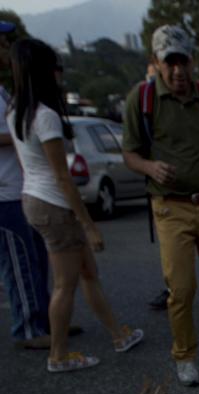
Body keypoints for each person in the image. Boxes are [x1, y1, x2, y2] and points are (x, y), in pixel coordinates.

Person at [8, 39, 143, 372]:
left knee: (88, 273)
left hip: (35, 199)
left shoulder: (16, 111)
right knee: (64, 284)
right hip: (54, 205)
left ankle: (118, 334)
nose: (60, 74)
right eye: (56, 68)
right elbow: (63, 178)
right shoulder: (46, 116)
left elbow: (31, 167)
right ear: (44, 72)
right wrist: (88, 223)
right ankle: (58, 355)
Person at [122, 25, 199, 387]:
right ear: (157, 63)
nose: (178, 70)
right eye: (170, 62)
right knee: (182, 289)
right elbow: (129, 154)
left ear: (192, 62)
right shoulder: (141, 100)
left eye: (183, 61)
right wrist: (149, 167)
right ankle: (185, 355)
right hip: (171, 209)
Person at [0, 21, 52, 350]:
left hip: (22, 188)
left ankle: (47, 320)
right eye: (2, 43)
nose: (6, 50)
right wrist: (24, 133)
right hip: (3, 194)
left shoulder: (3, 90)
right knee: (18, 262)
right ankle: (29, 329)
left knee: (34, 259)